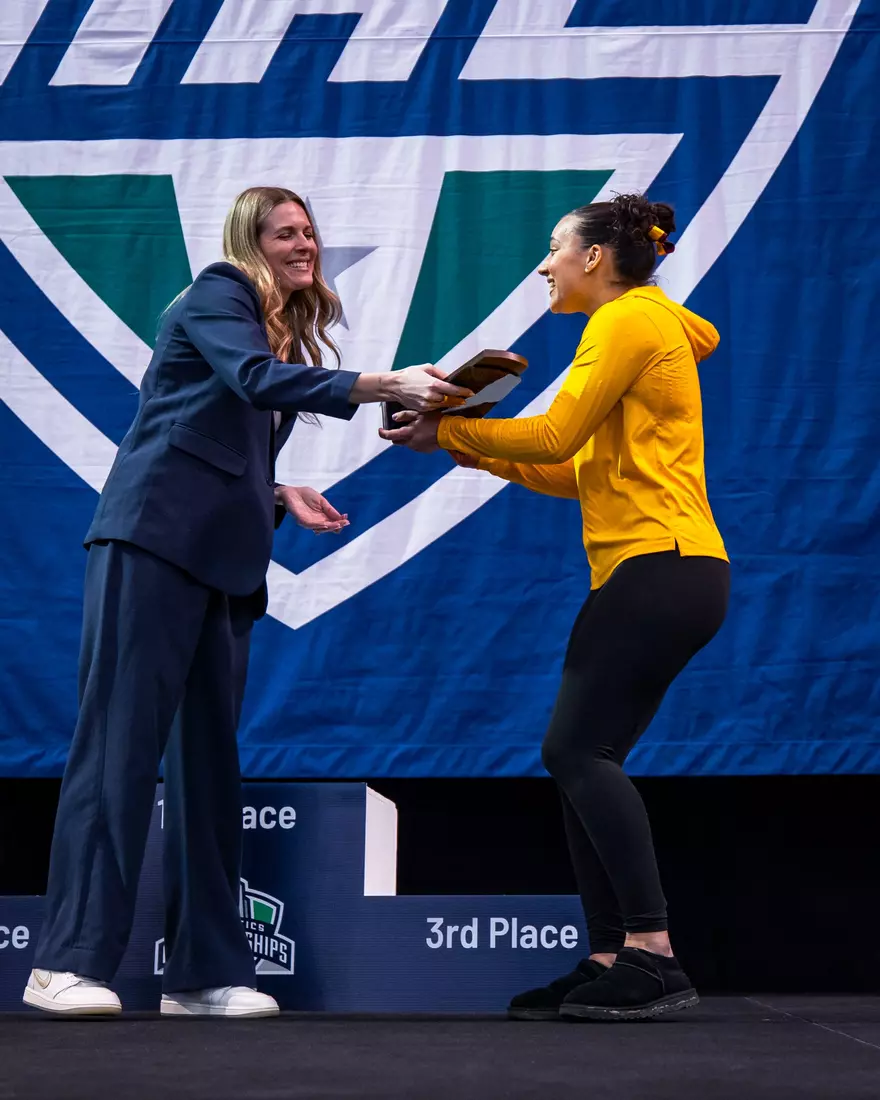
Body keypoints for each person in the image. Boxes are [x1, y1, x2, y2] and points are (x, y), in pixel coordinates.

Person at [23, 185, 471, 1018]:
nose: (306, 245)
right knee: (118, 751)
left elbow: (206, 426)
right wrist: (383, 382)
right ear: (250, 241)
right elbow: (252, 381)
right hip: (150, 544)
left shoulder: (266, 319)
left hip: (223, 559)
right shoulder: (217, 293)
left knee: (207, 768)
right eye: (287, 233)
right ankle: (63, 963)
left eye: (310, 232)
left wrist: (274, 491)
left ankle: (201, 974)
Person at [380, 193, 730, 1021]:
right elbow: (573, 471)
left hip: (661, 568)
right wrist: (465, 449)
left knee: (577, 752)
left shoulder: (624, 324)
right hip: (665, 572)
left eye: (553, 249)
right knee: (580, 754)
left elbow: (552, 436)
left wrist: (453, 433)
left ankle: (652, 953)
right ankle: (610, 953)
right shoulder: (641, 326)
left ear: (595, 259)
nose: (544, 265)